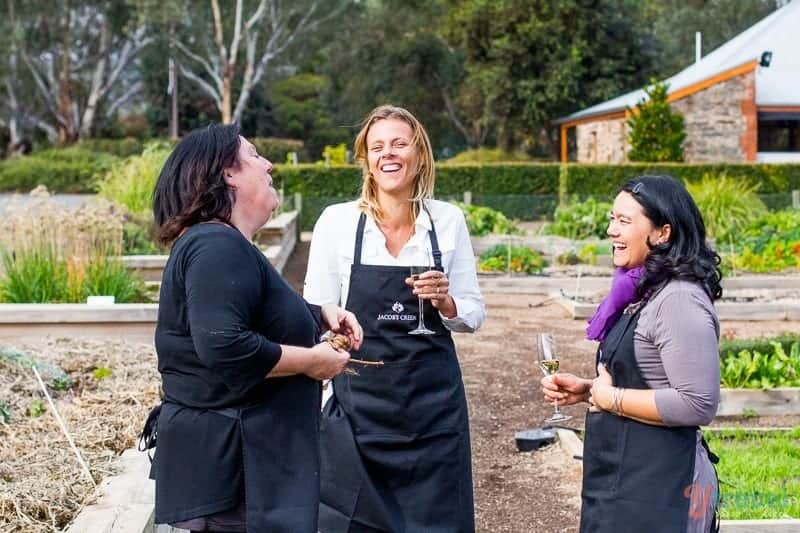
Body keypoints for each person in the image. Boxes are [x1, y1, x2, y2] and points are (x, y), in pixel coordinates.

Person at [141, 123, 362, 533]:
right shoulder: (216, 245)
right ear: (228, 173)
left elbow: (239, 317)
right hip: (237, 474)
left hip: (239, 469)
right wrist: (312, 361)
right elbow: (224, 345)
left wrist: (319, 314)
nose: (268, 164)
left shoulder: (218, 244)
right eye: (255, 155)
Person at [304, 104, 485, 532]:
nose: (389, 154)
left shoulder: (447, 221)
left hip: (433, 411)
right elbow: (313, 309)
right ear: (365, 159)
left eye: (400, 144)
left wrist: (446, 304)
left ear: (419, 154)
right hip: (361, 406)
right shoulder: (338, 223)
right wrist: (333, 337)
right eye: (377, 146)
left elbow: (473, 313)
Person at [542, 175, 721, 533]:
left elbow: (697, 402)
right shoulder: (647, 292)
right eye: (612, 219)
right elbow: (652, 377)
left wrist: (612, 398)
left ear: (662, 233)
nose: (611, 230)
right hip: (629, 480)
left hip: (664, 488)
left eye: (624, 221)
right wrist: (590, 390)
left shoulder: (679, 300)